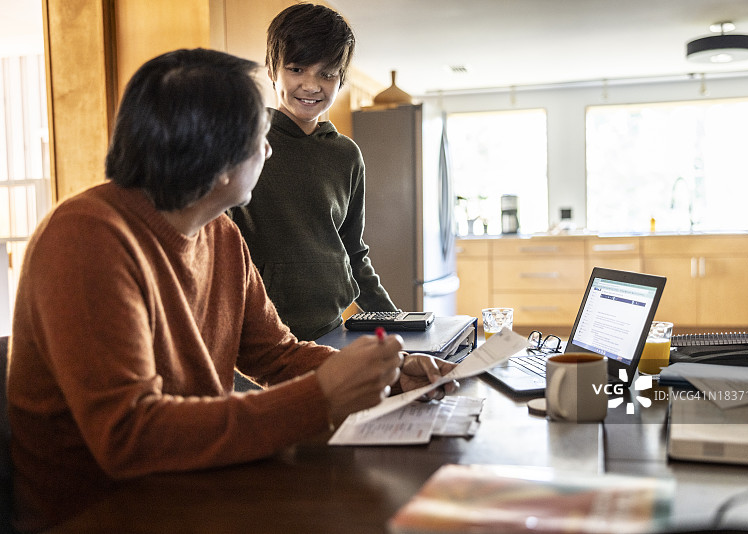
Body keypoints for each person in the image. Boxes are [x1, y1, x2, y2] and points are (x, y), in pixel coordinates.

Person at [7, 48, 456, 533]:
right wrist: (321, 397)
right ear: (218, 161)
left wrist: (386, 374)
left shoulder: (219, 233)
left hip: (192, 487)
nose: (269, 151)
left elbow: (276, 355)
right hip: (104, 512)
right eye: (260, 138)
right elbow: (130, 437)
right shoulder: (86, 238)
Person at [230, 3, 398, 341]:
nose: (311, 85)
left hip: (331, 330)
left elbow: (353, 251)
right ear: (272, 70)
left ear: (341, 79)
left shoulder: (346, 155)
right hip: (258, 337)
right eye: (296, 69)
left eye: (327, 74)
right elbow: (218, 245)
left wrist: (395, 323)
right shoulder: (241, 143)